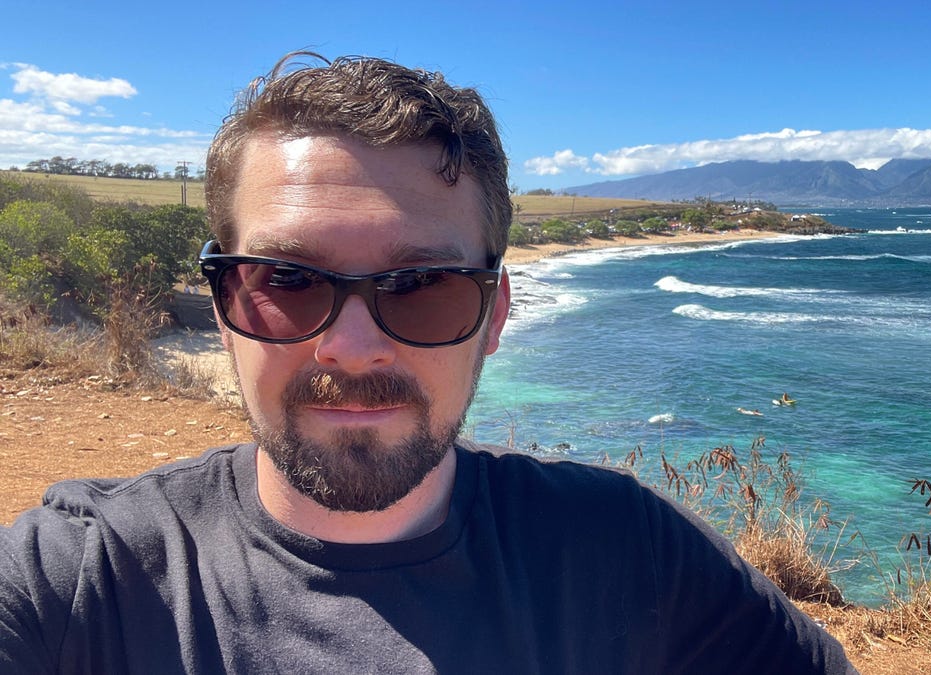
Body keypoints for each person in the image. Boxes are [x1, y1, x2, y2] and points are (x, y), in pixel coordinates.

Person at [0, 53, 856, 673]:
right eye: (288, 281)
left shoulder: (628, 554)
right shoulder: (79, 585)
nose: (354, 343)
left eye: (423, 286)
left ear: (494, 317)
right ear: (226, 307)